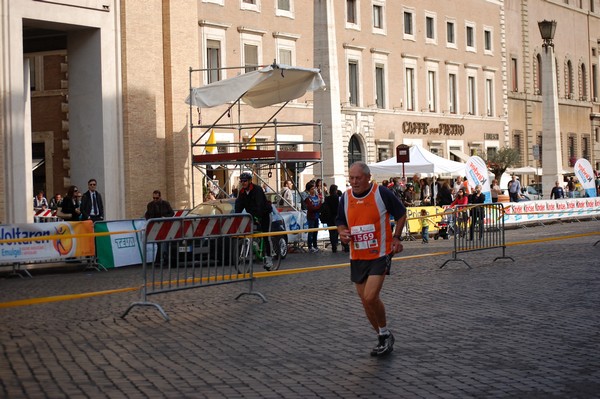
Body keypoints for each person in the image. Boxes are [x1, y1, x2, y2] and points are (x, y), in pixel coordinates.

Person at [336, 162, 407, 357]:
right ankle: (383, 335)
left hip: (380, 253)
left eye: (358, 178)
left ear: (368, 177)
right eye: (351, 178)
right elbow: (340, 221)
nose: (354, 182)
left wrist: (396, 237)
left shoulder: (381, 193)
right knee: (365, 301)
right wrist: (342, 233)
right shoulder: (345, 197)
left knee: (370, 296)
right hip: (357, 255)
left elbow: (401, 214)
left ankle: (384, 334)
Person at [235, 172, 273, 269]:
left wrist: (257, 217)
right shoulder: (242, 192)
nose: (243, 183)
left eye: (245, 181)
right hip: (252, 216)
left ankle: (269, 259)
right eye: (241, 181)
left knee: (266, 235)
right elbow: (239, 205)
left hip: (264, 214)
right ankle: (255, 248)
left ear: (250, 181)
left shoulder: (257, 190)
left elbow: (259, 205)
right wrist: (235, 215)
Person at [304, 181, 322, 253]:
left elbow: (319, 204)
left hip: (317, 216)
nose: (313, 190)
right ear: (309, 190)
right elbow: (311, 208)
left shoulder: (317, 197)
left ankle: (315, 245)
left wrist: (318, 206)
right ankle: (310, 247)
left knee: (315, 232)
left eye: (314, 188)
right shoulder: (308, 199)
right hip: (311, 217)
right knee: (311, 232)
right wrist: (319, 206)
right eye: (311, 189)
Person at [322, 184, 341, 253]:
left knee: (331, 232)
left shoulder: (327, 198)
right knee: (338, 231)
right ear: (336, 190)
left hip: (329, 217)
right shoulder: (338, 198)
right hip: (337, 216)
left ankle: (333, 247)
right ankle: (341, 245)